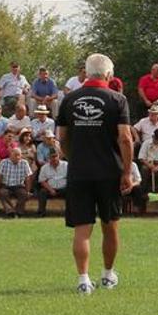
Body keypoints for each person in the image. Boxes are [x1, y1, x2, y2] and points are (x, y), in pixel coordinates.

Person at [58, 53, 135, 294]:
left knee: (82, 229)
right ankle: (108, 275)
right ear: (108, 74)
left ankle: (83, 280)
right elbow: (125, 137)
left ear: (86, 73)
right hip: (108, 171)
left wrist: (73, 158)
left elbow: (61, 137)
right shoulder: (117, 99)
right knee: (110, 226)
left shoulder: (69, 99)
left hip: (79, 172)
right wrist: (127, 171)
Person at [34, 147, 69, 217]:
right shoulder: (44, 167)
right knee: (42, 192)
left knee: (72, 191)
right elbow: (42, 181)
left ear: (59, 156)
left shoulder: (66, 165)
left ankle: (70, 213)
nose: (54, 158)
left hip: (64, 188)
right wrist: (51, 189)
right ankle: (41, 213)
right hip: (50, 189)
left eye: (56, 156)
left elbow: (71, 178)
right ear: (49, 157)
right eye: (52, 157)